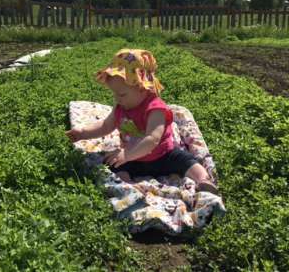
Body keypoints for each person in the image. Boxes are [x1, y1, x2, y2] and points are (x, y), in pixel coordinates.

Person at [66, 48, 217, 194]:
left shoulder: (155, 109)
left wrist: (128, 154)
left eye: (122, 94)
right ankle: (127, 188)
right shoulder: (121, 107)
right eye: (115, 94)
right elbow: (106, 126)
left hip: (163, 155)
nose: (117, 99)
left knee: (185, 160)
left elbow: (152, 138)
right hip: (134, 159)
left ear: (142, 88)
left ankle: (203, 180)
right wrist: (82, 133)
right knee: (115, 165)